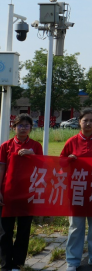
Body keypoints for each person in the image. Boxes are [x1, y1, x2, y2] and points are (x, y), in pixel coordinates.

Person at [61, 109, 92, 271]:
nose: (88, 123)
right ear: (79, 122)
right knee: (76, 226)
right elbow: (61, 163)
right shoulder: (72, 141)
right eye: (85, 120)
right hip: (76, 189)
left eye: (91, 120)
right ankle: (73, 261)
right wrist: (68, 160)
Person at [0, 114, 43, 270]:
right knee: (5, 232)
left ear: (31, 128)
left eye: (26, 125)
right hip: (8, 193)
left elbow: (42, 167)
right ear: (14, 127)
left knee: (23, 231)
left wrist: (33, 155)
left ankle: (18, 264)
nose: (23, 128)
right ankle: (5, 265)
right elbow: (1, 168)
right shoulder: (6, 145)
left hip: (28, 194)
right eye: (20, 125)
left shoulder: (36, 146)